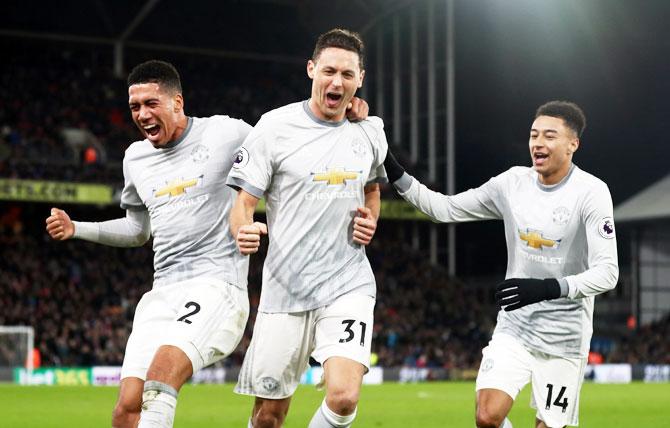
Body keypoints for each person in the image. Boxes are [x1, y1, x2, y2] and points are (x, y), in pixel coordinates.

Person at [45, 59, 369, 428]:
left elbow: (286, 136)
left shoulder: (225, 133)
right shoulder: (134, 158)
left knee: (160, 378)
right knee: (127, 410)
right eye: (135, 106)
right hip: (161, 292)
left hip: (216, 286)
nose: (142, 114)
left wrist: (344, 110)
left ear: (178, 103)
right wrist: (78, 228)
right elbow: (138, 230)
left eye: (152, 104)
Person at [384, 101, 618, 428]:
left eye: (549, 136)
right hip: (516, 329)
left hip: (564, 338)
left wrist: (548, 288)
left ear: (572, 144)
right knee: (487, 416)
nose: (538, 142)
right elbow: (444, 209)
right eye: (534, 134)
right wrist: (391, 166)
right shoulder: (512, 184)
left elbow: (608, 273)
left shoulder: (591, 193)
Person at [227, 28, 387, 428]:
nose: (337, 82)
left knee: (344, 397)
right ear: (311, 69)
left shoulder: (370, 131)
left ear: (360, 79)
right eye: (329, 71)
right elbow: (243, 204)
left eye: (347, 75)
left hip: (347, 283)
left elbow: (372, 189)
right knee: (269, 416)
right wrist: (243, 230)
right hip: (285, 291)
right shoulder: (273, 127)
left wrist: (371, 217)